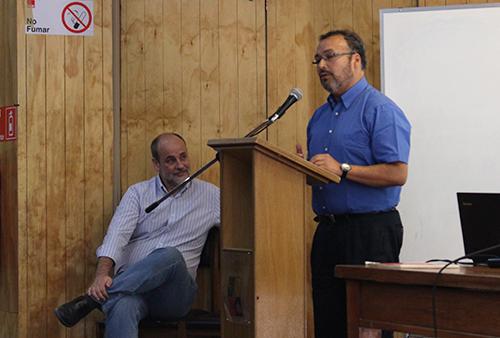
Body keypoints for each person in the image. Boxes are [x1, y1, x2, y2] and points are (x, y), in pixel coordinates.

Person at [297, 30, 411, 338]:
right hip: (328, 232)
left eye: (330, 56)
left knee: (369, 327)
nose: (321, 65)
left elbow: (397, 173)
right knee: (329, 324)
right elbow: (326, 176)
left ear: (356, 60)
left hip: (370, 232)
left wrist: (343, 169)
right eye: (317, 59)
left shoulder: (380, 110)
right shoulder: (318, 118)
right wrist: (303, 169)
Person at [54, 133, 220, 338]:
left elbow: (245, 222)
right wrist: (101, 275)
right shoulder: (137, 193)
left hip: (173, 297)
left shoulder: (211, 196)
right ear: (156, 164)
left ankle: (94, 301)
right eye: (170, 160)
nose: (180, 165)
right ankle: (107, 295)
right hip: (133, 291)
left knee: (170, 255)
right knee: (122, 305)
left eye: (183, 157)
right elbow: (117, 234)